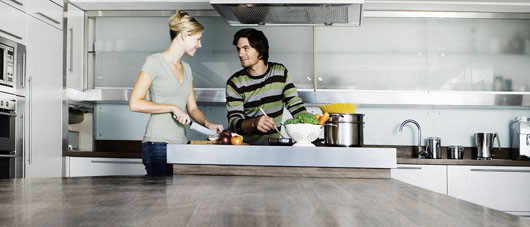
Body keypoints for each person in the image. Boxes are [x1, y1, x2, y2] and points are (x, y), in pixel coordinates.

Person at [129, 10, 223, 176]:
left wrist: (207, 124)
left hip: (181, 144)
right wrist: (172, 107)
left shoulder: (186, 68)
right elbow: (135, 103)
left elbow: (192, 108)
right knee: (160, 200)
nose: (200, 45)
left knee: (179, 200)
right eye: (198, 39)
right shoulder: (154, 62)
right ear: (184, 36)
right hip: (157, 144)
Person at [225, 28, 308, 145]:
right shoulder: (235, 83)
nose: (240, 54)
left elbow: (294, 104)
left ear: (259, 50)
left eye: (245, 48)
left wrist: (310, 123)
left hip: (275, 146)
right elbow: (234, 123)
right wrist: (254, 123)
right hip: (246, 147)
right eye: (238, 49)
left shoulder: (280, 72)